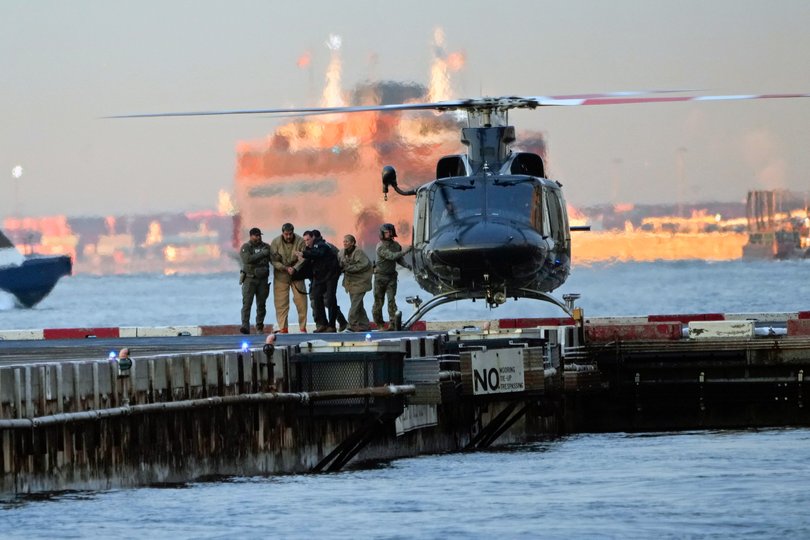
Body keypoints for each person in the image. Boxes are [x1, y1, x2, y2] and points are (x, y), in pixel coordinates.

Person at [297, 230, 340, 332]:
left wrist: (303, 253)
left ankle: (331, 325)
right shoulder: (309, 249)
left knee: (330, 300)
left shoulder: (321, 245)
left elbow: (318, 253)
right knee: (316, 298)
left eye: (308, 239)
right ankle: (322, 324)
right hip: (320, 276)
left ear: (313, 238)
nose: (306, 242)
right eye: (305, 240)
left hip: (330, 275)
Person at [270, 223, 308, 333]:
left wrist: (295, 268)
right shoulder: (275, 242)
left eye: (290, 234)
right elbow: (273, 260)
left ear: (293, 232)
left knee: (301, 302)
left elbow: (304, 258)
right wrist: (285, 268)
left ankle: (302, 328)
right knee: (281, 304)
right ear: (282, 233)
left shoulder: (300, 241)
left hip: (297, 276)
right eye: (286, 234)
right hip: (281, 276)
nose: (288, 236)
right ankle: (283, 328)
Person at [372, 223, 412, 330]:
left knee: (391, 301)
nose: (388, 234)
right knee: (378, 302)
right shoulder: (380, 246)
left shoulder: (396, 245)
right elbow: (392, 256)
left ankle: (393, 323)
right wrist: (405, 251)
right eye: (386, 232)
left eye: (389, 232)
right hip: (380, 277)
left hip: (391, 277)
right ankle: (379, 324)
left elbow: (398, 259)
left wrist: (407, 266)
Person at [239, 227, 271, 334]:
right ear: (251, 236)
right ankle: (245, 326)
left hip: (262, 280)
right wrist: (262, 254)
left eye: (259, 235)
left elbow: (274, 259)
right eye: (256, 235)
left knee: (261, 304)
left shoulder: (266, 246)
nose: (258, 237)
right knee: (247, 304)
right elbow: (247, 259)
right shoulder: (246, 247)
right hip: (249, 279)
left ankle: (259, 327)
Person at [339, 234, 373, 332]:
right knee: (358, 305)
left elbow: (363, 265)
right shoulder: (342, 252)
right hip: (351, 283)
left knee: (355, 304)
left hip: (361, 282)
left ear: (353, 243)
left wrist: (348, 268)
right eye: (344, 241)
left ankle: (352, 324)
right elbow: (339, 262)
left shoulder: (358, 252)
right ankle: (365, 324)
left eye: (347, 241)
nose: (345, 243)